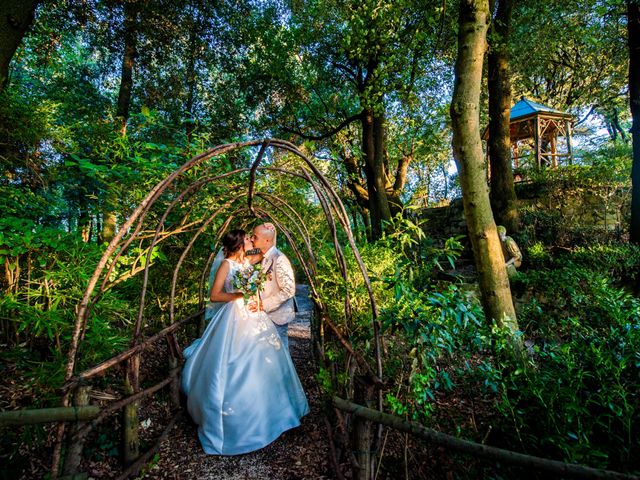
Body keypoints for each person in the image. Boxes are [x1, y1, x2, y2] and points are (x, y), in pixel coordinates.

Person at [181, 229, 309, 455]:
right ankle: (236, 420)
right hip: (233, 315)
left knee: (264, 361)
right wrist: (239, 296)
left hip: (255, 315)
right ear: (240, 244)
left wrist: (267, 241)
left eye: (253, 237)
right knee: (233, 360)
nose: (252, 240)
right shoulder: (227, 265)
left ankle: (270, 411)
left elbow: (265, 250)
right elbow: (215, 295)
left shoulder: (248, 260)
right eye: (248, 238)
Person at [250, 223, 296, 350]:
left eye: (255, 237)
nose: (252, 239)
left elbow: (288, 290)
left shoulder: (280, 259)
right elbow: (240, 251)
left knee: (280, 354)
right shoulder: (264, 256)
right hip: (266, 316)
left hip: (278, 317)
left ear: (266, 240)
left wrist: (263, 305)